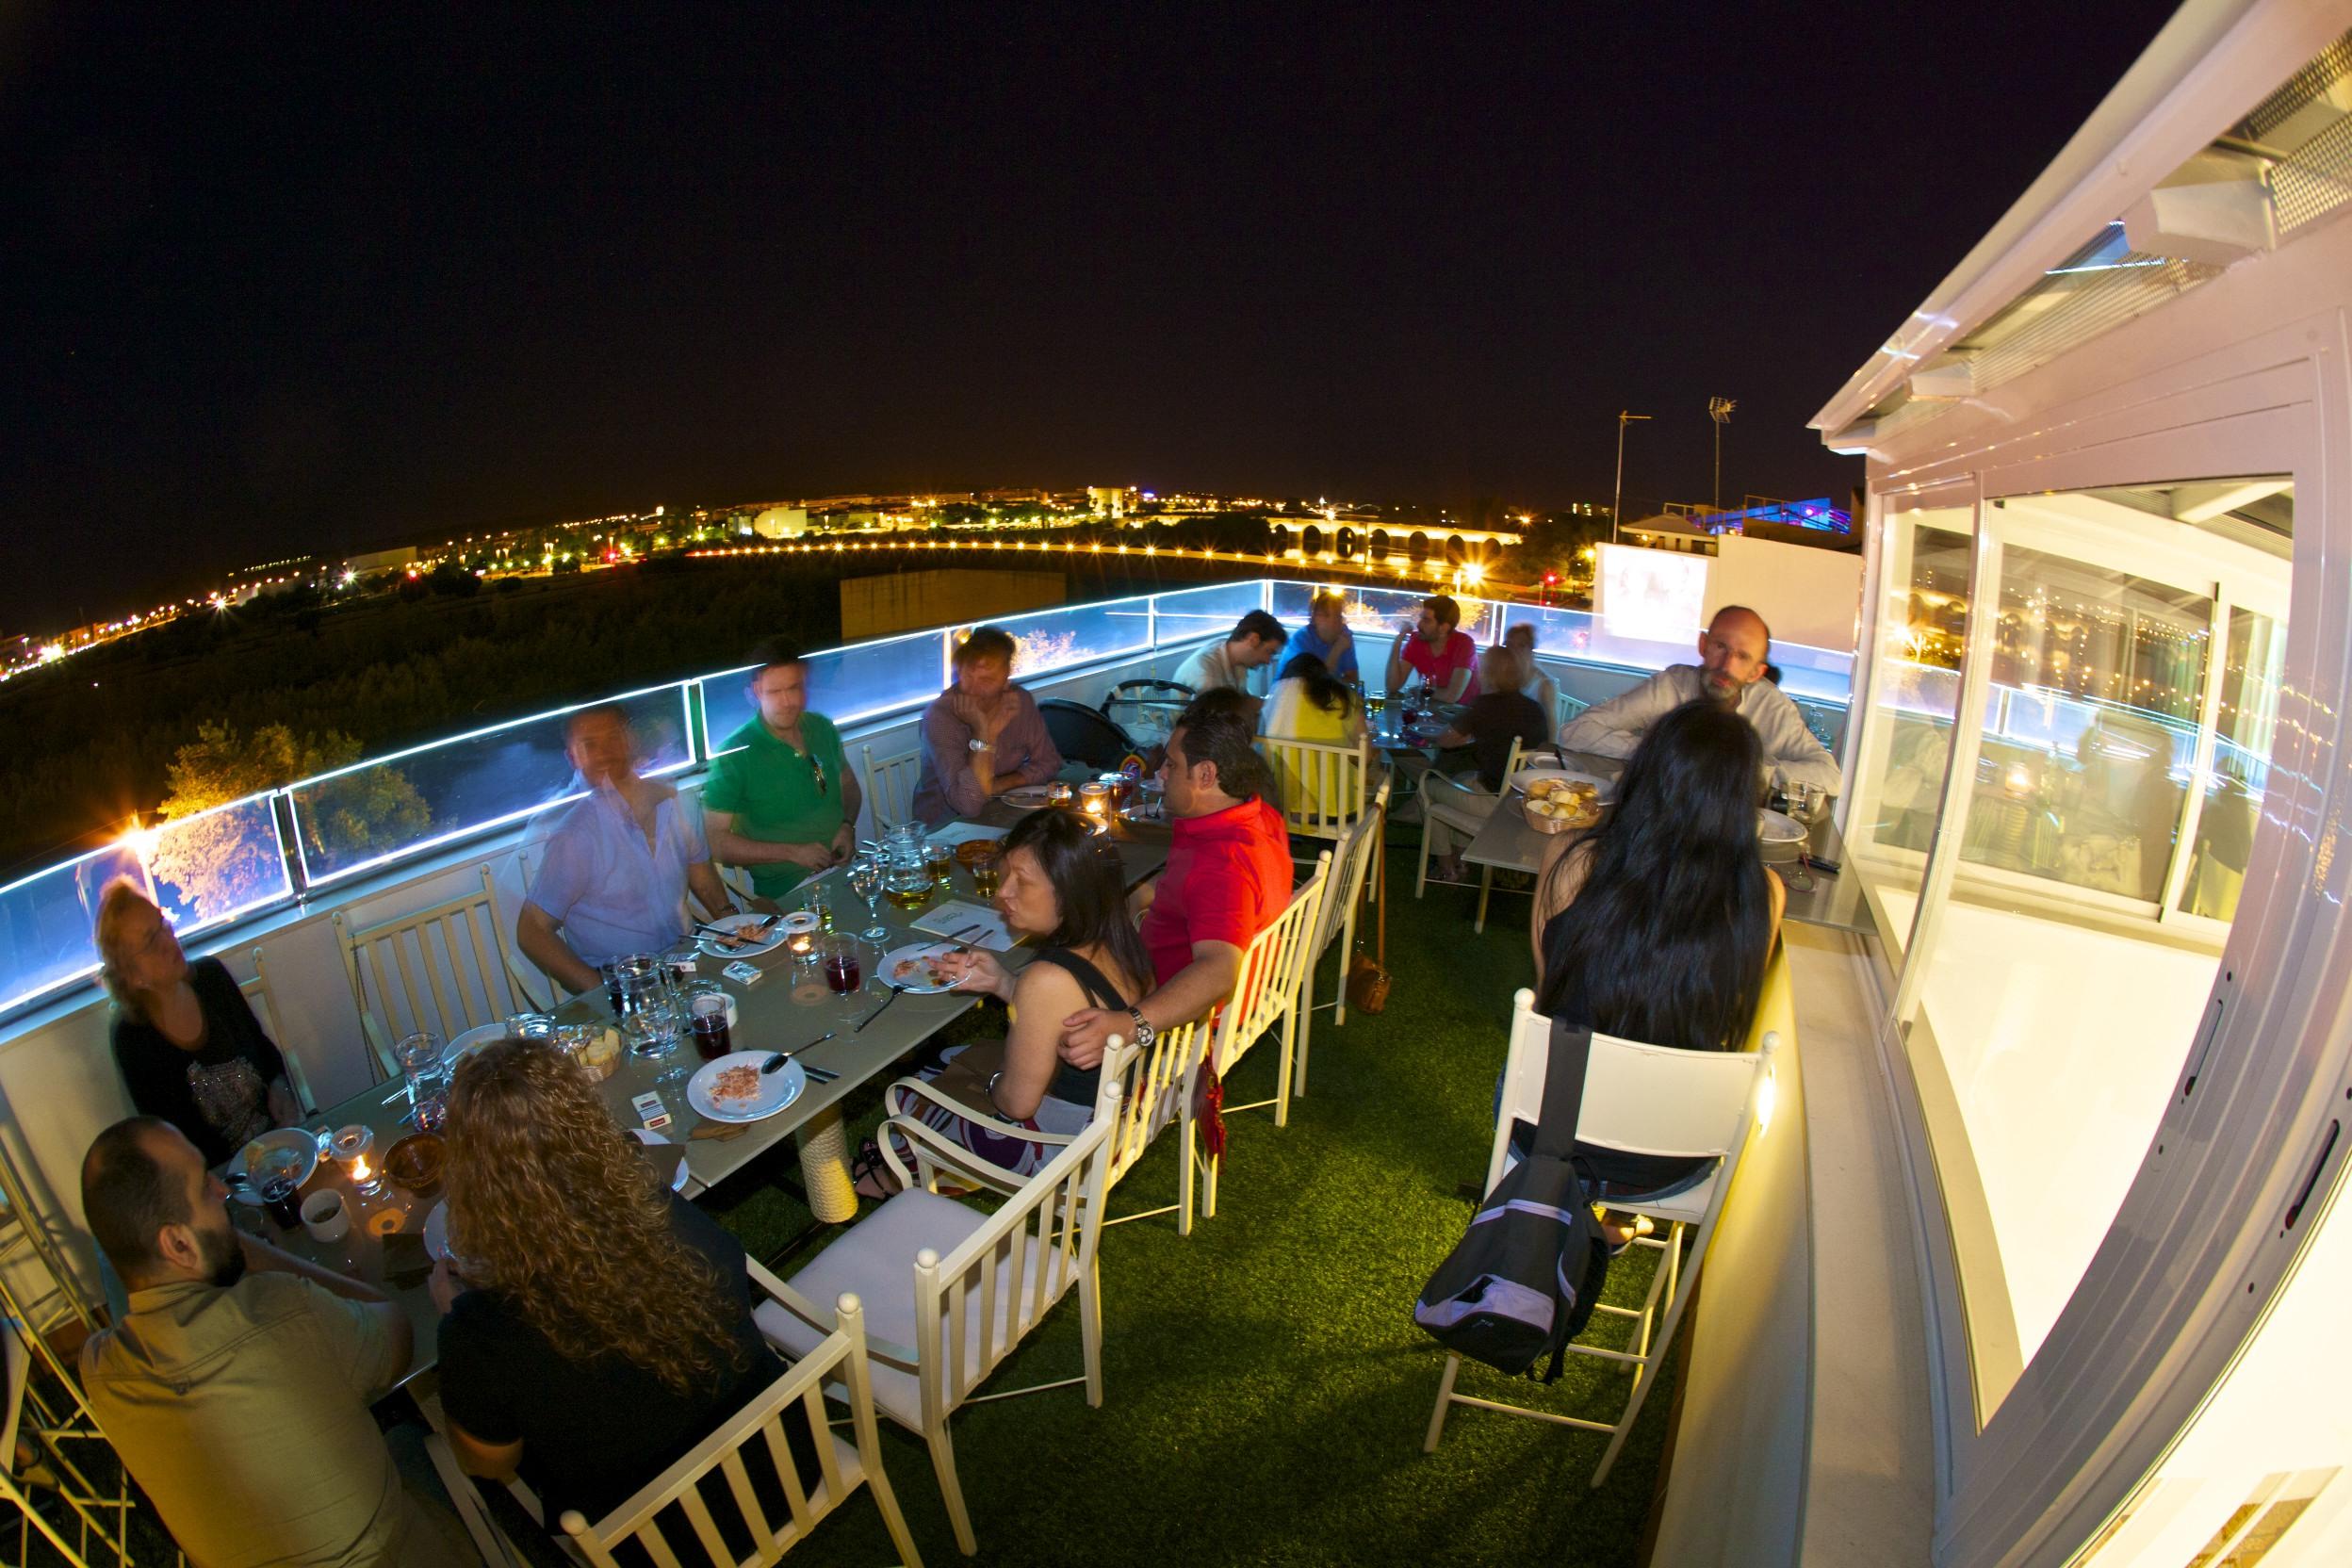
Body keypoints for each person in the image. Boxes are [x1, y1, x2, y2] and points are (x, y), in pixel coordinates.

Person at [433, 1038, 809, 1540]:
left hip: (664, 1543)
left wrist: (451, 1312)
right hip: (787, 1469)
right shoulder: (667, 1213)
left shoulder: (479, 1333)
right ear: (590, 1125)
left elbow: (488, 1464)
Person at [78, 1118, 470, 1567]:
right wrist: (243, 1248)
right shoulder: (279, 1308)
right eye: (203, 1188)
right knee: (410, 1438)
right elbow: (396, 1334)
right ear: (178, 1245)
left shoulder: (98, 1371)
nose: (222, 1191)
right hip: (393, 1554)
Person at [1527, 700, 1786, 1228]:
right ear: (1742, 800)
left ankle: (1589, 1217)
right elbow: (1728, 1008)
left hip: (1550, 1131)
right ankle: (1612, 1223)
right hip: (1673, 1158)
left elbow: (1547, 989)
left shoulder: (1572, 860)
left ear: (1646, 773)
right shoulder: (1764, 894)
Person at [871, 809, 1152, 1188]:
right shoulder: (1120, 936)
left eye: (1023, 881)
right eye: (1007, 874)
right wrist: (1004, 983)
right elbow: (1069, 1008)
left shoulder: (1045, 980)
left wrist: (991, 1081)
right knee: (945, 1059)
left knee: (905, 1097)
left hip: (1063, 1148)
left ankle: (896, 1178)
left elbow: (1016, 1105)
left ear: (1070, 892)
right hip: (1124, 1110)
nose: (1003, 891)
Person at [1058, 695, 1294, 1068]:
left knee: (1043, 977)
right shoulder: (1258, 814)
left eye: (1171, 763)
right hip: (1235, 976)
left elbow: (1218, 970)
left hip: (1170, 1003)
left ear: (1205, 775)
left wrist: (1131, 1022)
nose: (1160, 773)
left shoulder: (1221, 864)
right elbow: (1193, 899)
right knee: (1110, 905)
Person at [519, 705, 743, 993]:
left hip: (685, 960)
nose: (605, 752)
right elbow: (531, 930)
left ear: (630, 740)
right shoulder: (575, 835)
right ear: (573, 758)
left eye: (613, 738)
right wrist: (603, 995)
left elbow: (701, 875)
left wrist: (736, 929)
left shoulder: (677, 802)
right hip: (624, 980)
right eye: (590, 745)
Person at [96, 880, 302, 1169]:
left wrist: (280, 1085)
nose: (169, 941)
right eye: (151, 941)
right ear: (131, 975)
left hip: (281, 1147)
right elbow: (171, 1141)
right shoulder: (133, 1039)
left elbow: (262, 1048)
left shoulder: (212, 977)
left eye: (163, 924)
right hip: (221, 1180)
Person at [1559, 604, 1839, 792]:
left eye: (1742, 657)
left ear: (1757, 672)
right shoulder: (1670, 687)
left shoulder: (1772, 706)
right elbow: (1575, 732)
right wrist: (1661, 753)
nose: (1726, 665)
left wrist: (1749, 770)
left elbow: (1830, 777)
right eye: (1720, 646)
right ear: (1703, 646)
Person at [702, 638, 861, 903]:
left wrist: (847, 827)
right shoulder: (734, 754)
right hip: (789, 893)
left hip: (844, 874)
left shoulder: (821, 727)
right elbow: (714, 842)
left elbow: (849, 787)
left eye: (794, 688)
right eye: (775, 692)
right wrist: (792, 852)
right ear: (757, 691)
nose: (788, 702)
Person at [1421, 645, 1553, 883]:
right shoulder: (1535, 709)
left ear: (1489, 674)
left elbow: (1446, 741)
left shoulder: (1484, 705)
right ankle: (1461, 859)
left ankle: (1446, 866)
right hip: (1521, 798)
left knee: (1429, 785)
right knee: (1463, 779)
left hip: (1493, 800)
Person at [911, 625, 1064, 824]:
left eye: (987, 680)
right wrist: (984, 733)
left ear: (1006, 678)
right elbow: (969, 805)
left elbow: (1050, 763)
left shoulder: (1019, 701)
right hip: (945, 828)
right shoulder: (940, 716)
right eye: (967, 677)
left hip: (1001, 810)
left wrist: (993, 787)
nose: (974, 690)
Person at [1385, 594, 1480, 704]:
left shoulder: (1464, 644)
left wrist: (1417, 690)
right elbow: (1392, 686)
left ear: (1444, 628)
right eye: (1421, 618)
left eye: (1426, 620)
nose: (1419, 624)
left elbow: (1451, 696)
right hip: (1428, 708)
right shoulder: (1417, 640)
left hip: (1462, 713)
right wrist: (1398, 641)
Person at [1171, 609, 1286, 697]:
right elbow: (1216, 722)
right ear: (1253, 639)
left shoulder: (1234, 656)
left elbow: (1243, 699)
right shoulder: (1206, 674)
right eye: (1269, 652)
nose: (1267, 661)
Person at [1279, 590, 1359, 684]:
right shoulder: (1301, 640)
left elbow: (1353, 681)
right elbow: (1313, 685)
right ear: (1314, 618)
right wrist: (1337, 650)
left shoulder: (1344, 635)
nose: (1336, 621)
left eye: (1339, 615)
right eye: (1326, 615)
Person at [1503, 623, 1559, 727]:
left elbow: (1552, 727)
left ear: (1531, 649)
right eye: (1510, 645)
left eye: (1521, 645)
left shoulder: (1545, 685)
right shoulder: (1501, 675)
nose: (1514, 651)